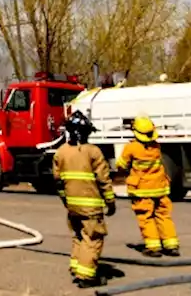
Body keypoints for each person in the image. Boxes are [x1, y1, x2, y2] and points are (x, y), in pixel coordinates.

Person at [53, 110, 117, 289]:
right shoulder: (93, 152)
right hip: (91, 208)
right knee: (93, 238)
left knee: (78, 236)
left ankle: (76, 266)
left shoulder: (61, 152)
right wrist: (110, 203)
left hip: (72, 207)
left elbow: (58, 182)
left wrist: (66, 201)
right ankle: (87, 276)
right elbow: (104, 180)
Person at [114, 115, 179, 257]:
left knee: (146, 217)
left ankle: (153, 246)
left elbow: (121, 165)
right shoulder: (156, 146)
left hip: (142, 190)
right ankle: (171, 245)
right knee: (163, 215)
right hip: (160, 187)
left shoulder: (131, 147)